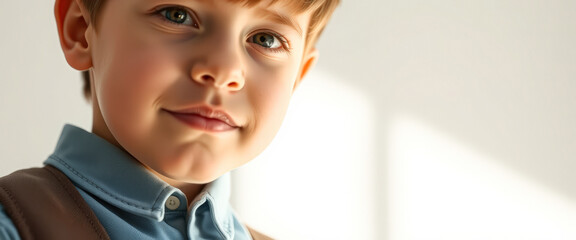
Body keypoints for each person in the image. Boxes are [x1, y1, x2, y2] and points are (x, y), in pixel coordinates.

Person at [0, 0, 339, 239]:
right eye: (177, 15)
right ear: (80, 30)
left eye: (265, 39)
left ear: (298, 77)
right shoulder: (14, 223)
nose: (223, 71)